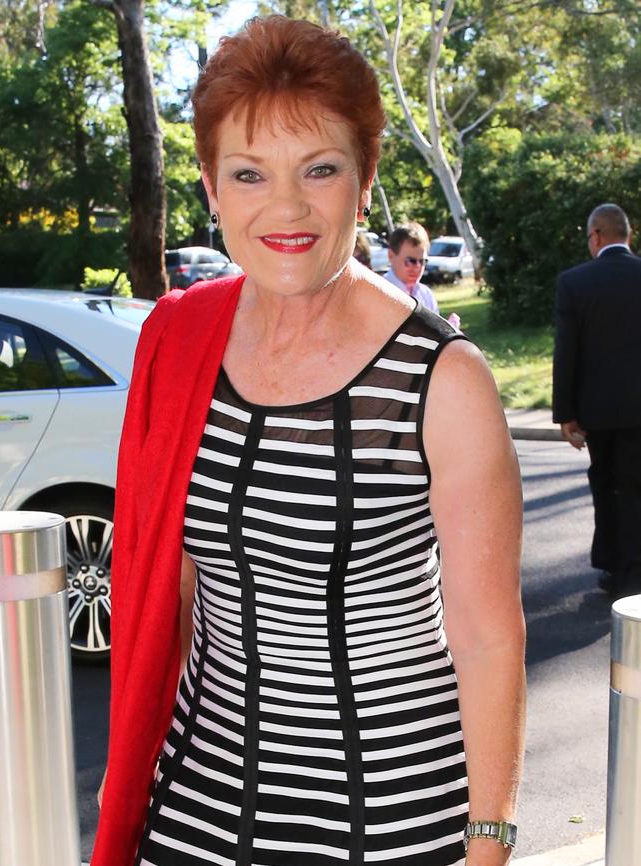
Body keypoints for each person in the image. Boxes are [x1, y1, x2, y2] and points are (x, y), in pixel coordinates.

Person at [93, 16, 525, 866]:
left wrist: (490, 836)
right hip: (196, 802)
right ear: (212, 189)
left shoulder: (442, 380)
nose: (285, 209)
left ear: (363, 183)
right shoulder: (180, 340)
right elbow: (167, 584)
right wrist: (125, 764)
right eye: (249, 175)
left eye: (319, 170)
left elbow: (486, 635)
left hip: (392, 811)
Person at [553, 203, 641, 600]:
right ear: (628, 234)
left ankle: (614, 566)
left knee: (607, 487)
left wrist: (566, 414)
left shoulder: (575, 283)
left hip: (600, 411)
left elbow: (567, 352)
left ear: (595, 236)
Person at [383, 221, 440, 313]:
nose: (418, 267)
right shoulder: (378, 292)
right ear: (391, 256)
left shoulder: (426, 295)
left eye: (422, 261)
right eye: (410, 261)